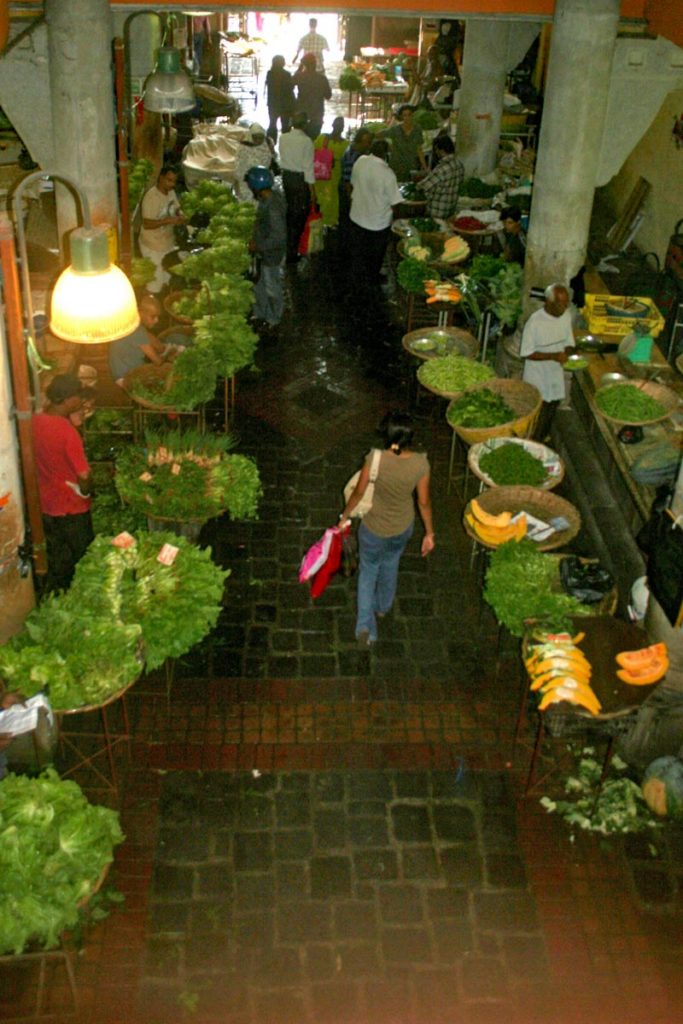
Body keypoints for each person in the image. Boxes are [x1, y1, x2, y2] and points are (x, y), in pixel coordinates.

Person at [339, 411, 435, 646]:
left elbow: (359, 492)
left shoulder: (375, 459)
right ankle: (383, 607)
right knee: (391, 563)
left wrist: (345, 515)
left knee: (369, 570)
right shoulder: (421, 464)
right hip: (402, 527)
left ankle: (364, 626)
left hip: (373, 528)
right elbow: (423, 502)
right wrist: (430, 533)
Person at [32, 374, 94, 593]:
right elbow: (84, 475)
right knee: (84, 557)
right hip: (72, 507)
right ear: (68, 399)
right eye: (77, 397)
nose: (80, 401)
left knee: (58, 559)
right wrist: (86, 493)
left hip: (47, 504)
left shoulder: (35, 420)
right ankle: (84, 594)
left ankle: (60, 593)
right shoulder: (68, 433)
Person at [519, 284, 575, 440]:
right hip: (538, 375)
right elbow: (527, 353)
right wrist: (554, 356)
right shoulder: (535, 322)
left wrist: (568, 353)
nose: (564, 308)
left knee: (553, 404)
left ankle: (543, 436)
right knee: (539, 409)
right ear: (548, 302)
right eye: (560, 304)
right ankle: (532, 439)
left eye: (566, 304)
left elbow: (569, 342)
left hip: (555, 372)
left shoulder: (566, 316)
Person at [349, 138, 403, 286]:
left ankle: (357, 277)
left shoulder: (360, 161)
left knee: (359, 249)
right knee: (375, 254)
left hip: (357, 215)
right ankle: (372, 279)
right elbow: (395, 202)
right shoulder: (387, 173)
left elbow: (353, 183)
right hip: (377, 223)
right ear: (386, 154)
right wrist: (396, 220)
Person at [245, 166, 287, 331]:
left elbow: (278, 237)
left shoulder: (273, 207)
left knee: (271, 287)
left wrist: (259, 245)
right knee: (259, 283)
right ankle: (260, 313)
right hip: (263, 252)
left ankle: (273, 318)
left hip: (271, 255)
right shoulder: (268, 197)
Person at [108, 294, 179, 386]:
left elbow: (150, 338)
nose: (156, 320)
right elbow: (158, 361)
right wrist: (170, 353)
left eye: (157, 317)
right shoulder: (138, 331)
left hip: (117, 367)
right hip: (124, 376)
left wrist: (162, 348)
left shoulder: (131, 320)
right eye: (153, 316)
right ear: (141, 312)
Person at [138, 165, 186, 294]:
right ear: (161, 178)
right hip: (152, 244)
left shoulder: (170, 192)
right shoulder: (151, 197)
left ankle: (164, 301)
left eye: (174, 181)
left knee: (168, 274)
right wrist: (168, 221)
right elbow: (147, 224)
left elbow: (176, 207)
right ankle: (149, 304)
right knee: (155, 280)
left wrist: (180, 214)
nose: (172, 184)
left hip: (167, 242)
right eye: (169, 180)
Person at [278, 111, 316, 264]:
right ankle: (292, 252)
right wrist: (313, 192)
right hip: (300, 181)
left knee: (290, 212)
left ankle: (289, 246)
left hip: (287, 178)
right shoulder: (307, 141)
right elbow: (308, 168)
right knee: (299, 216)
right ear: (305, 124)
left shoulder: (283, 138)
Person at [337, 126, 373, 246]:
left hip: (351, 189)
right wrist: (351, 197)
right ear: (360, 141)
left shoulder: (357, 151)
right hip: (348, 190)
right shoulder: (353, 156)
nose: (368, 145)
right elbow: (347, 180)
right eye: (366, 142)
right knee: (348, 219)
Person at [416, 135, 464, 220]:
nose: (436, 152)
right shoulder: (459, 164)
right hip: (450, 210)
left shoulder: (441, 169)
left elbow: (423, 186)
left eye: (436, 149)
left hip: (437, 212)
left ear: (440, 149)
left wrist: (416, 185)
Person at [314, 116, 348, 228]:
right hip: (326, 176)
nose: (339, 127)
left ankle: (327, 222)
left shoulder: (324, 139)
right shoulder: (324, 139)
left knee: (331, 199)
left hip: (328, 176)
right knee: (327, 198)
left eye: (341, 125)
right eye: (338, 125)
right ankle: (326, 221)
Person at [381, 104, 427, 183]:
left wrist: (424, 165)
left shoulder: (417, 130)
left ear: (412, 115)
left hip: (411, 166)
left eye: (409, 115)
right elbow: (380, 134)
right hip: (396, 166)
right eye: (404, 115)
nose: (407, 117)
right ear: (401, 117)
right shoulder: (395, 130)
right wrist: (388, 146)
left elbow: (419, 149)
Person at [293, 53, 332, 141]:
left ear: (304, 64)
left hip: (301, 113)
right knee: (313, 140)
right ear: (315, 64)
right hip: (317, 114)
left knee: (300, 140)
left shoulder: (299, 76)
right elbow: (328, 96)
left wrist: (299, 68)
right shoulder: (322, 78)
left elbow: (289, 86)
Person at [233, 123, 276, 202]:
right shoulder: (243, 147)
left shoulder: (267, 144)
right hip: (248, 182)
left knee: (265, 204)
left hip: (264, 181)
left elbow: (272, 158)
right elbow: (238, 166)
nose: (259, 140)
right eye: (256, 138)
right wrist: (237, 182)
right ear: (251, 136)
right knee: (249, 204)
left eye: (261, 138)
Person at [265, 55, 295, 142]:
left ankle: (271, 144)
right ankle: (285, 144)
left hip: (273, 104)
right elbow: (290, 89)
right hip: (285, 104)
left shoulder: (269, 74)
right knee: (285, 127)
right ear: (283, 63)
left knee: (272, 124)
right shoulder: (287, 74)